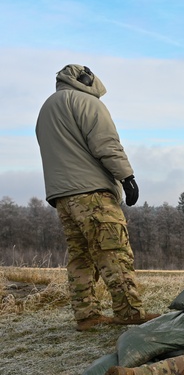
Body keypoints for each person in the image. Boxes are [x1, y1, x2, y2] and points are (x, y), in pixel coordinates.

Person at [35, 64, 152, 332]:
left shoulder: (46, 108)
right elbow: (106, 143)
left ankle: (86, 315)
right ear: (86, 79)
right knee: (114, 251)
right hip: (92, 193)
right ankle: (129, 312)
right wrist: (127, 177)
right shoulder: (87, 102)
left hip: (62, 196)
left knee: (81, 256)